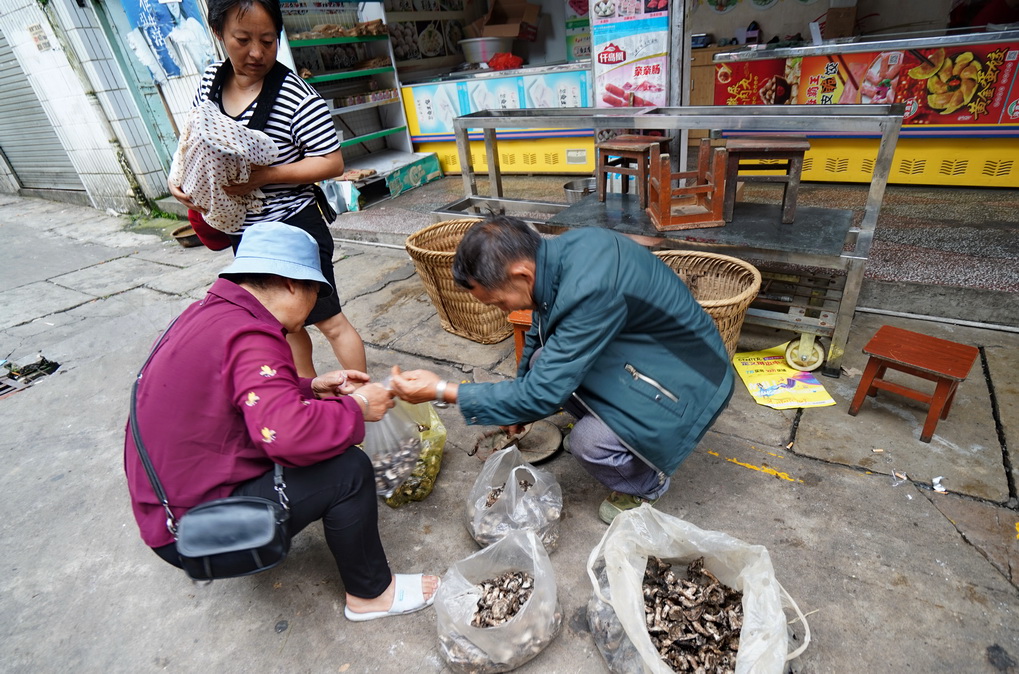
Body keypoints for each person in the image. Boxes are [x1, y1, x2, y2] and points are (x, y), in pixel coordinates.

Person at [124, 221, 438, 621]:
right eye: (315, 293)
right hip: (196, 532)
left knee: (323, 438)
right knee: (349, 469)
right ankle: (371, 594)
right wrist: (358, 406)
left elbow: (241, 398)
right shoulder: (252, 335)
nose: (312, 308)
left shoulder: (209, 314)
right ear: (291, 284)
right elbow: (287, 437)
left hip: (167, 508)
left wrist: (309, 387)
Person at [390, 216, 735, 524]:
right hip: (649, 354)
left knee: (589, 443)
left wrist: (442, 390)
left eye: (497, 301)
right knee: (542, 363)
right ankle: (620, 435)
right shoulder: (555, 257)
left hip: (691, 382)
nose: (499, 309)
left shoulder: (591, 288)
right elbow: (540, 332)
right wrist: (517, 399)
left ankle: (647, 483)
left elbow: (541, 394)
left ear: (520, 274)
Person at [168, 0, 365, 378]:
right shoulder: (210, 81)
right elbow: (192, 138)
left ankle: (365, 402)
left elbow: (331, 163)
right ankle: (309, 401)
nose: (257, 52)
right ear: (219, 33)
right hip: (248, 235)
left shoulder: (296, 96)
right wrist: (176, 178)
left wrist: (264, 176)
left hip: (295, 228)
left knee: (330, 321)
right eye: (242, 39)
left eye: (268, 40)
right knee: (284, 327)